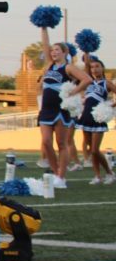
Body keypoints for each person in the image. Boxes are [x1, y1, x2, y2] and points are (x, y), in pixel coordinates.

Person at [35, 26, 90, 188]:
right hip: (46, 108)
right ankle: (55, 170)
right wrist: (43, 28)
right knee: (45, 142)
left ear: (65, 52)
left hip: (61, 109)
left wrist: (74, 91)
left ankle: (61, 177)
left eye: (57, 50)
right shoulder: (49, 65)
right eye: (52, 50)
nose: (53, 52)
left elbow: (86, 79)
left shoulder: (69, 67)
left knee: (61, 143)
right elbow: (45, 44)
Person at [77, 56, 113, 184]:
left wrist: (109, 106)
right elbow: (86, 66)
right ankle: (97, 176)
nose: (94, 69)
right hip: (86, 117)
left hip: (98, 118)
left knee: (94, 150)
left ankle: (110, 173)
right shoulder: (88, 82)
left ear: (102, 68)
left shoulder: (106, 83)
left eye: (97, 66)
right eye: (92, 67)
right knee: (91, 149)